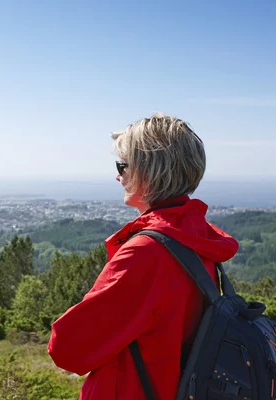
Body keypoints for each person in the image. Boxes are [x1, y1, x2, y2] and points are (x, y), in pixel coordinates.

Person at [47, 113, 239, 399]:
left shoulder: (147, 253)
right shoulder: (197, 236)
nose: (117, 175)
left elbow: (68, 349)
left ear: (149, 172)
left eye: (122, 166)